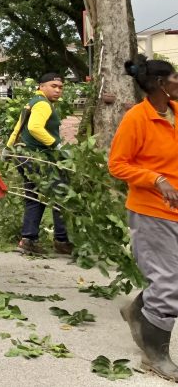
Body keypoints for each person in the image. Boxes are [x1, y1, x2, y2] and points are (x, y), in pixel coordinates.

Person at [109, 56, 178, 381]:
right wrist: (156, 179)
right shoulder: (136, 119)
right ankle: (155, 356)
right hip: (151, 211)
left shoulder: (176, 113)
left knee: (172, 279)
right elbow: (117, 165)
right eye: (175, 77)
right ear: (161, 85)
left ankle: (137, 311)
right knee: (167, 283)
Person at [6, 72, 73, 255]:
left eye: (60, 87)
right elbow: (34, 128)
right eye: (53, 86)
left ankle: (28, 240)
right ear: (41, 86)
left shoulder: (33, 102)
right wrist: (57, 145)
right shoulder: (43, 104)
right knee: (61, 195)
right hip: (38, 158)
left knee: (35, 198)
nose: (58, 90)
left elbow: (18, 127)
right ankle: (62, 240)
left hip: (24, 156)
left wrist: (9, 147)